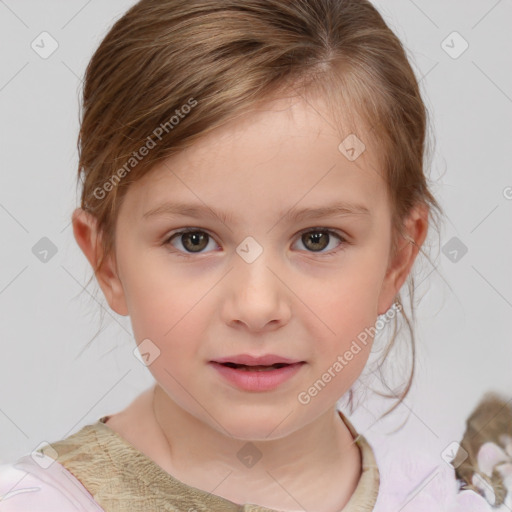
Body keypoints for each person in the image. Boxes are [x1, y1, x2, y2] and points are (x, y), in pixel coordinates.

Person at [0, 0, 504, 510]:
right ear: (107, 260)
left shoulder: (455, 497)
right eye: (193, 239)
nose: (258, 306)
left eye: (317, 239)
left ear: (398, 258)